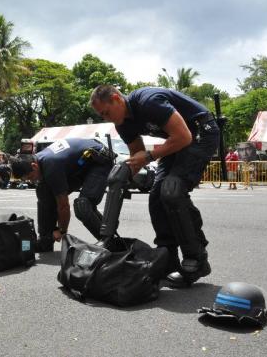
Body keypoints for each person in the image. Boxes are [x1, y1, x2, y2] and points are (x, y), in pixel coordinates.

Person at [90, 85, 219, 288]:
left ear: (116, 98)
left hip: (201, 133)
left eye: (106, 112)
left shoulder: (148, 102)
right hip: (177, 139)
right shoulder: (122, 123)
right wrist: (122, 177)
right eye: (102, 116)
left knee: (172, 190)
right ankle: (167, 258)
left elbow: (184, 137)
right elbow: (137, 155)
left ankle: (197, 259)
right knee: (157, 197)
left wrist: (150, 156)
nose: (106, 119)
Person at [10, 138, 114, 252]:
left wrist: (61, 231)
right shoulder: (40, 160)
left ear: (34, 166)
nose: (31, 181)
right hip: (81, 163)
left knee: (83, 206)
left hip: (99, 162)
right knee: (43, 191)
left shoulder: (51, 166)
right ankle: (45, 241)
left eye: (30, 177)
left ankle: (111, 243)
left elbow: (63, 206)